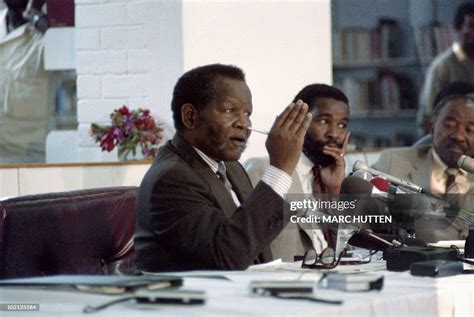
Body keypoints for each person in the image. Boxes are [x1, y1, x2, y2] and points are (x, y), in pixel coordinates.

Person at [134, 64, 312, 272]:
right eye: (230, 110)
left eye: (247, 113)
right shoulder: (172, 178)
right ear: (190, 116)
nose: (244, 124)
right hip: (190, 301)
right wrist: (280, 170)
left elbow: (254, 250)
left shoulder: (231, 168)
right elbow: (226, 257)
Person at [244, 84, 350, 261]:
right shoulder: (264, 169)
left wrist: (334, 193)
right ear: (299, 122)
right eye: (323, 121)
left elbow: (354, 250)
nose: (334, 134)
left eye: (342, 125)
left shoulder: (338, 177)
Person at [374, 93, 474, 241]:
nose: (458, 136)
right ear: (432, 128)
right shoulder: (393, 162)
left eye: (470, 130)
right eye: (449, 125)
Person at [417, 2, 474, 136]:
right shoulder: (442, 66)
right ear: (458, 29)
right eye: (472, 26)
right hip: (454, 143)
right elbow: (427, 116)